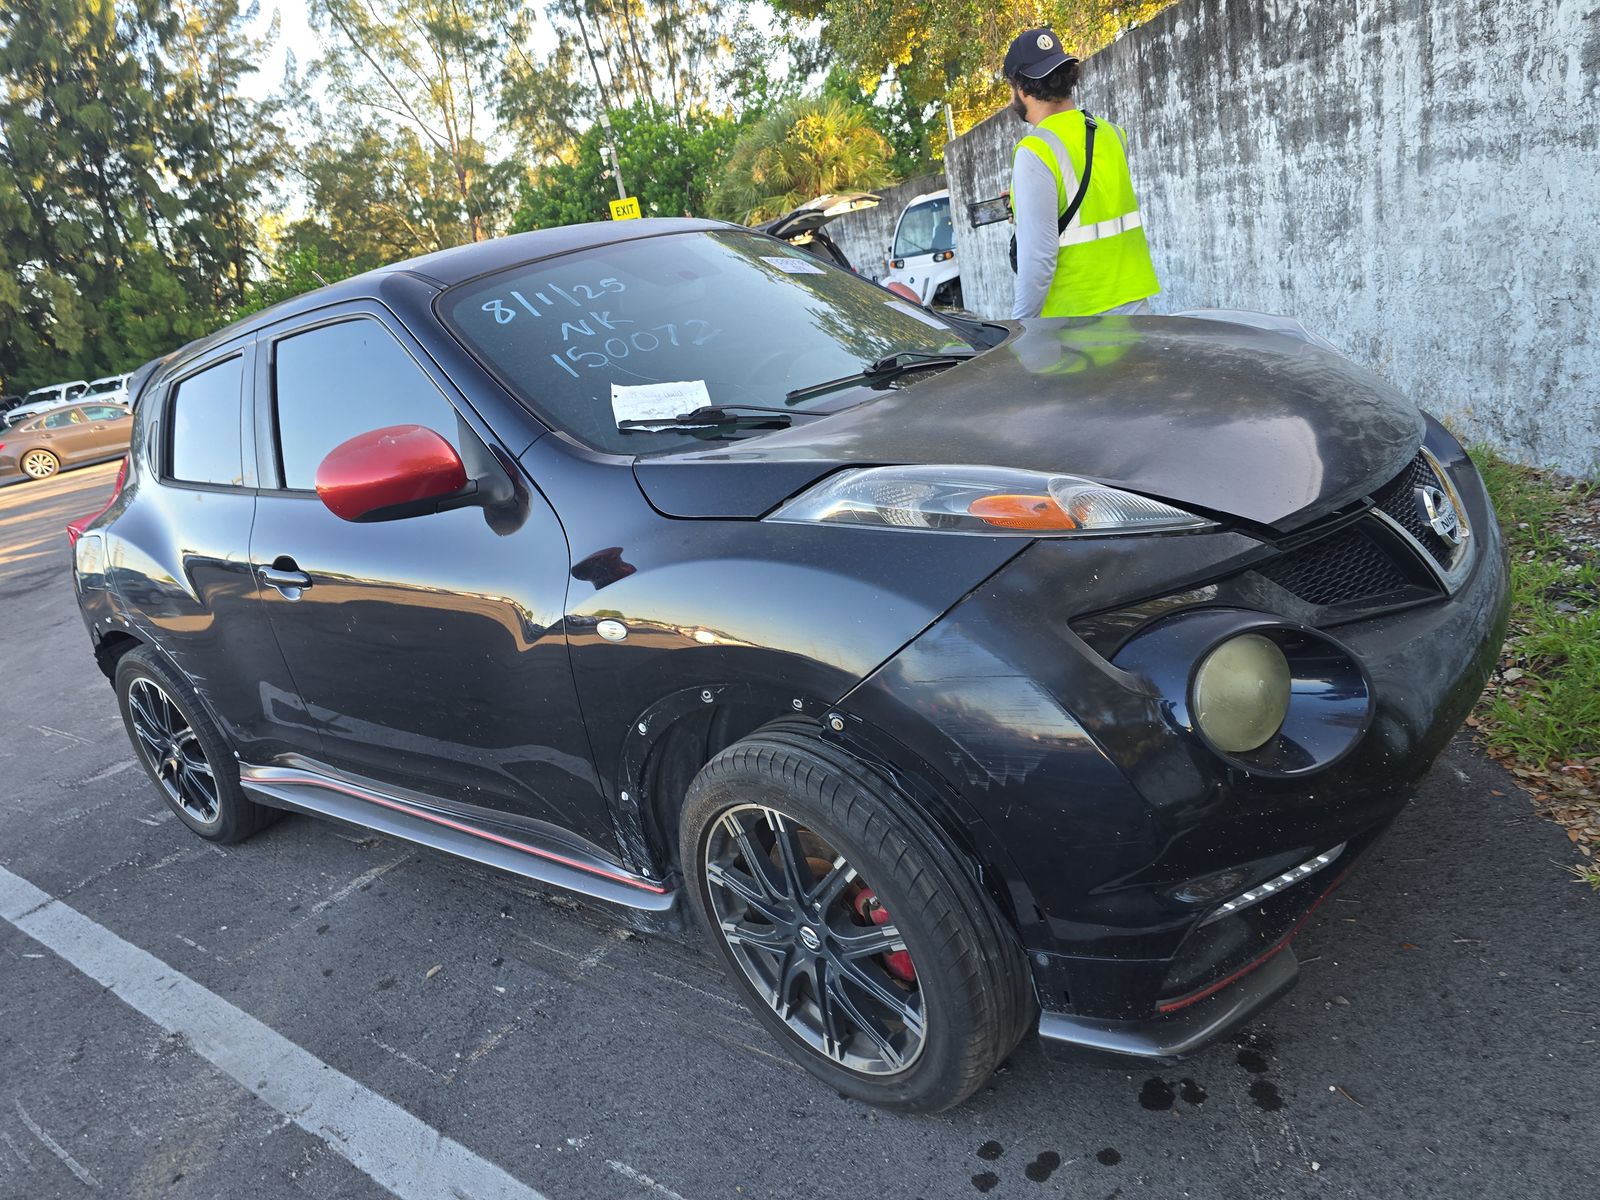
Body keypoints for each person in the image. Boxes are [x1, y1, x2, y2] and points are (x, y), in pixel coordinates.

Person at [1004, 27, 1160, 319]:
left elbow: (1038, 259)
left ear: (1021, 88)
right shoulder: (1113, 133)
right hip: (1135, 305)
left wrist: (1019, 329)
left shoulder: (1035, 151)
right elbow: (1092, 205)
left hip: (1080, 320)